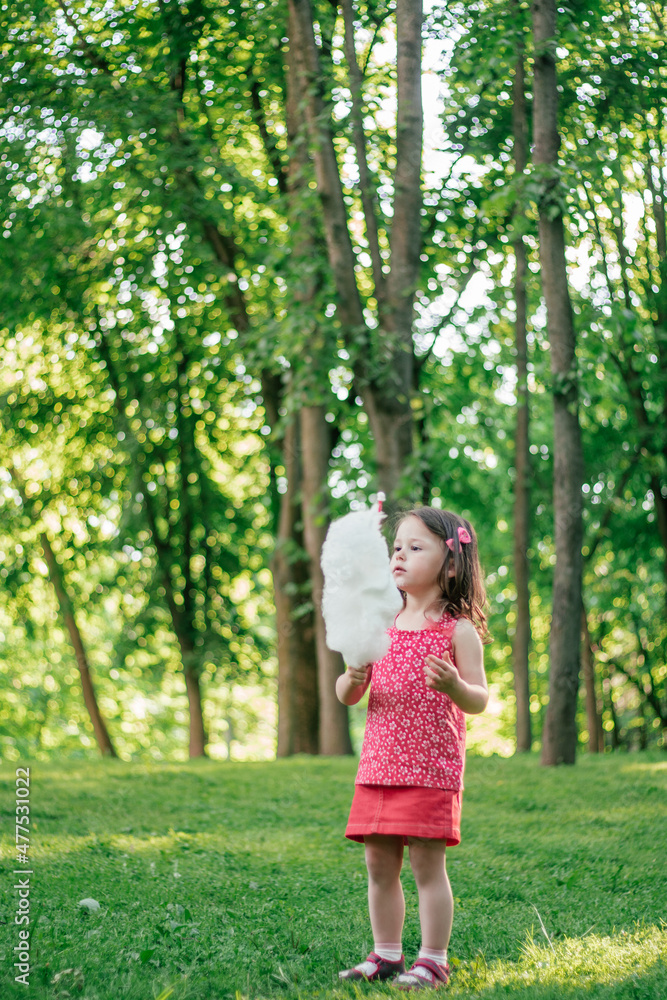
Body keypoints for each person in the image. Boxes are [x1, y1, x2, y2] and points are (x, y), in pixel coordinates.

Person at [335, 507, 489, 991]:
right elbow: (348, 693)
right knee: (378, 865)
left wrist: (455, 686)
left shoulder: (457, 630)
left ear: (450, 564)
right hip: (378, 767)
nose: (399, 554)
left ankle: (434, 959)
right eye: (396, 546)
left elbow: (480, 698)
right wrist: (352, 679)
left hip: (430, 770)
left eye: (415, 547)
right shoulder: (378, 623)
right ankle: (386, 955)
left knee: (427, 865)